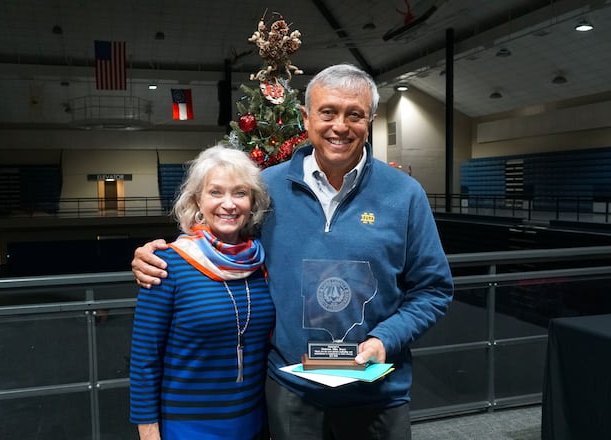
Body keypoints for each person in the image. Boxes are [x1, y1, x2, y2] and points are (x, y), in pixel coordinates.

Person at [132, 63, 454, 440]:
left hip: (377, 396)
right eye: (328, 112)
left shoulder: (405, 193)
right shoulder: (267, 189)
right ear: (306, 117)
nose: (340, 126)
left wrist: (387, 338)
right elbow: (218, 240)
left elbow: (433, 290)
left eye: (355, 114)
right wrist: (155, 255)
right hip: (292, 395)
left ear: (371, 120)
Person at [129, 145, 274, 440]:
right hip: (189, 428)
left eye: (240, 193)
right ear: (197, 200)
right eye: (216, 192)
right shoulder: (167, 264)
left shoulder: (261, 263)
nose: (229, 204)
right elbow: (144, 359)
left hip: (254, 426)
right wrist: (148, 434)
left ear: (253, 201)